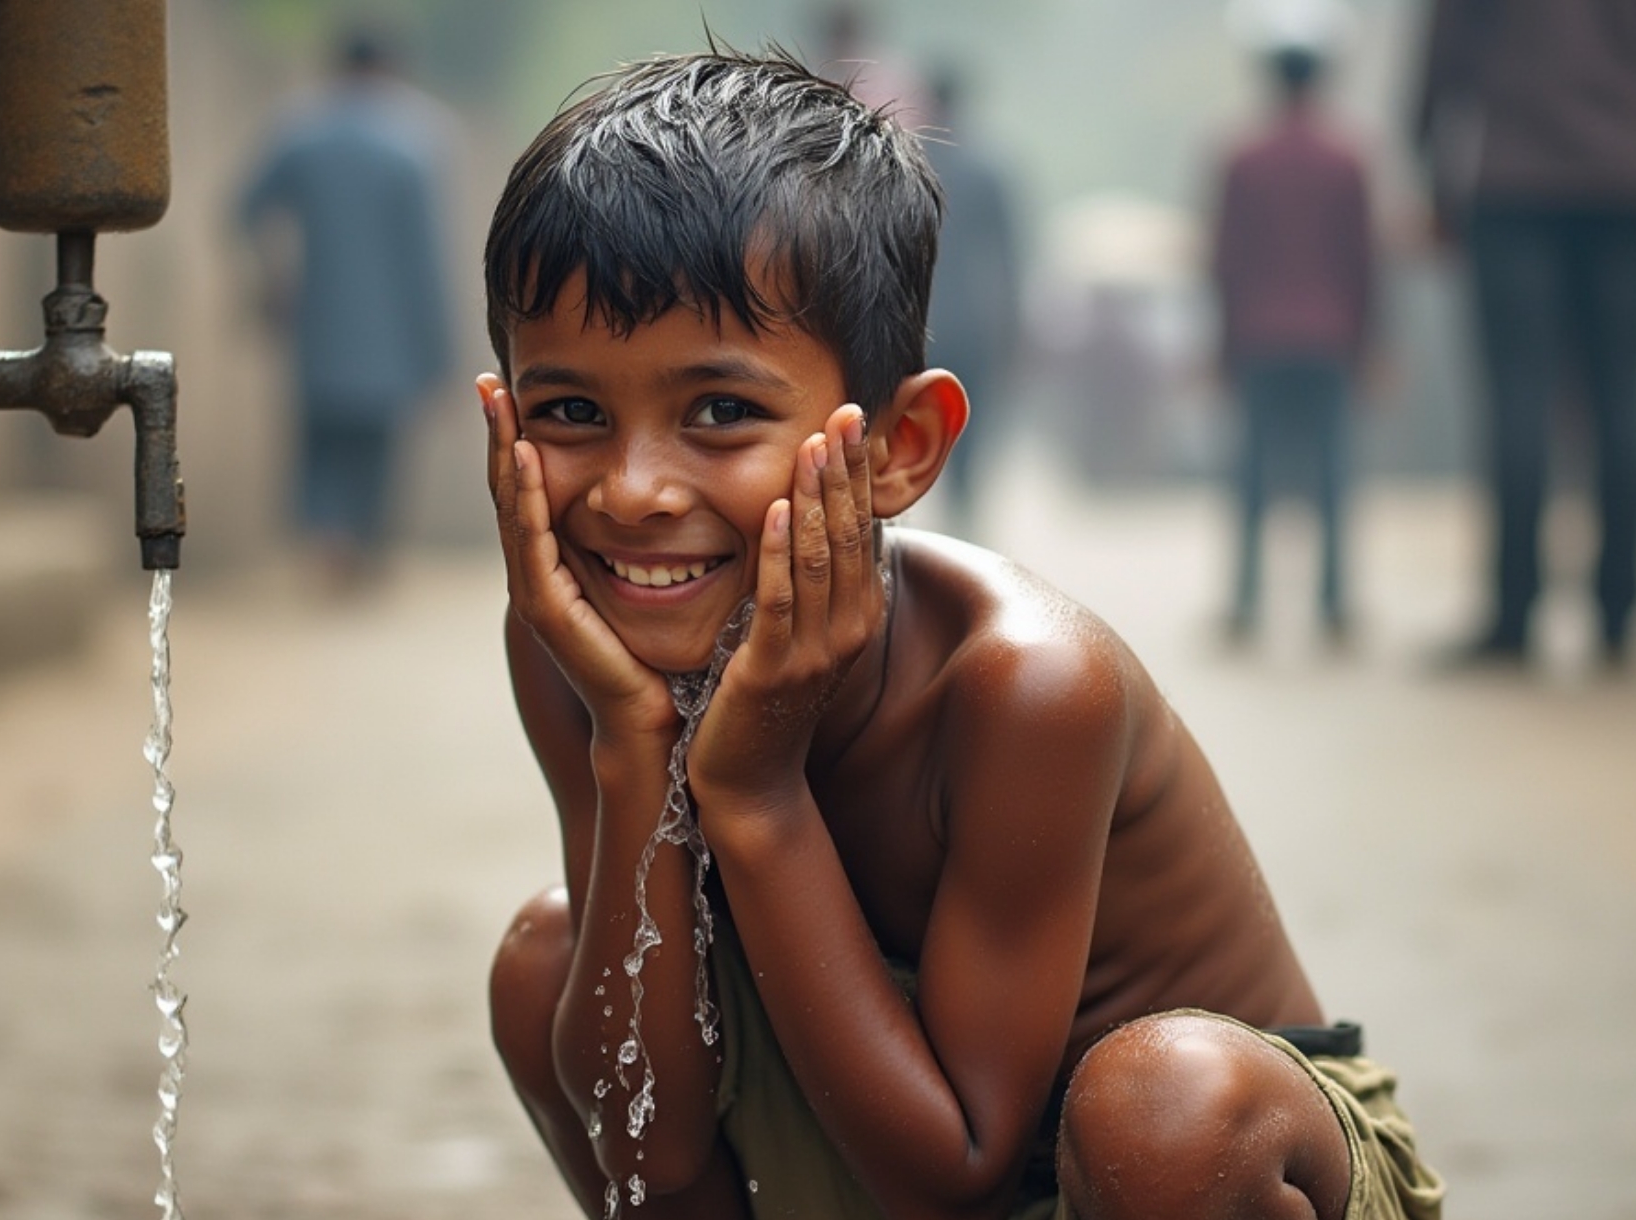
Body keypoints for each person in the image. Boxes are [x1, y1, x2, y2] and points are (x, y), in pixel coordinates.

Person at [480, 49, 1443, 1219]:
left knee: (1164, 1108)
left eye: (720, 411)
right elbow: (645, 1144)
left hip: (1166, 1172)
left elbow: (957, 1169)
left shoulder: (1023, 684)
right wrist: (633, 745)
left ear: (901, 447)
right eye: (570, 411)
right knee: (547, 963)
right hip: (863, 1116)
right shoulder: (578, 650)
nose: (632, 491)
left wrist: (754, 789)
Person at [1413, 0, 1636, 668]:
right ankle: (1615, 612)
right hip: (1622, 181)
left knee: (1518, 401)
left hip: (1515, 181)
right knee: (1623, 404)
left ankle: (1513, 614)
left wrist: (1433, 171)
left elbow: (1443, 55)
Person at [237, 28, 456, 589]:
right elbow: (425, 260)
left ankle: (326, 541)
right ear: (388, 70)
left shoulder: (301, 134)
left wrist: (273, 275)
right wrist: (439, 350)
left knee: (320, 441)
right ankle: (358, 548)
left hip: (320, 326)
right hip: (391, 335)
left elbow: (245, 208)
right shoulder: (412, 145)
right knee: (375, 448)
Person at [1209, 40, 1375, 645]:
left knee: (1252, 472)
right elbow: (1363, 260)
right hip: (1330, 337)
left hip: (1260, 335)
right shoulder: (1348, 158)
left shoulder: (1243, 158)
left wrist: (1222, 345)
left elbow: (1226, 259)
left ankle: (1245, 602)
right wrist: (1372, 343)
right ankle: (1333, 604)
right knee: (1332, 472)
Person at [922, 65, 1027, 537]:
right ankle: (961, 520)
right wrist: (1012, 327)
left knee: (914, 418)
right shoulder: (988, 169)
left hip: (917, 319)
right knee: (967, 423)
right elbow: (1007, 258)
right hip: (975, 322)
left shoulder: (908, 164)